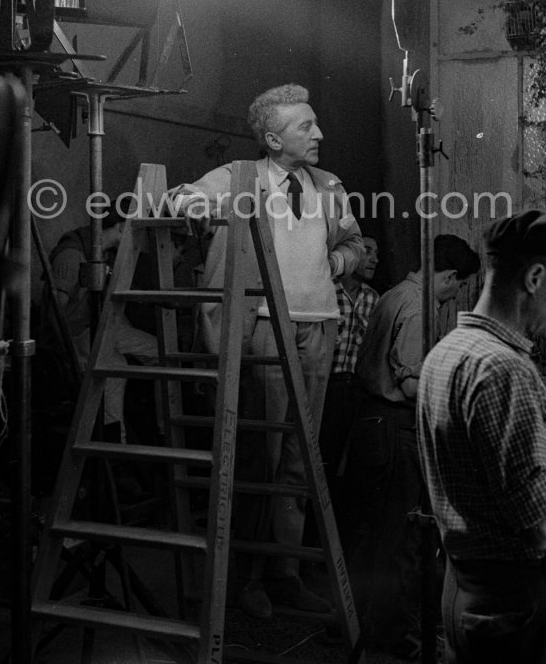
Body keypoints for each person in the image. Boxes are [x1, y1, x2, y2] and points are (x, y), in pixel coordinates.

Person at [169, 83, 364, 620]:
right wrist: (196, 210)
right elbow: (180, 196)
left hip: (317, 328)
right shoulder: (237, 177)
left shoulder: (328, 185)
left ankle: (286, 573)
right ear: (274, 139)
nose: (319, 133)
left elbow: (355, 246)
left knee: (302, 459)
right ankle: (248, 579)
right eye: (307, 126)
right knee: (261, 456)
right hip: (261, 327)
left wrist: (339, 264)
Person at [342, 234, 480, 657]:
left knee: (375, 533)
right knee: (398, 536)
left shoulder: (392, 295)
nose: (456, 295)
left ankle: (357, 621)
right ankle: (388, 632)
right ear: (449, 277)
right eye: (459, 287)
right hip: (393, 426)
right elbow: (411, 382)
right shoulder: (419, 306)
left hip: (371, 421)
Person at [417, 210, 546, 664]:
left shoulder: (446, 351)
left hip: (462, 587)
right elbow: (535, 520)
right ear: (534, 277)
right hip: (510, 602)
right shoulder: (506, 369)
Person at [39, 202, 159, 444]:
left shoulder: (105, 256)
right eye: (132, 228)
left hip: (99, 327)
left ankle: (158, 428)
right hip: (74, 335)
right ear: (119, 227)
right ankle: (114, 445)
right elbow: (54, 311)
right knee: (115, 369)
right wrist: (69, 354)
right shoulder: (73, 256)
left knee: (158, 351)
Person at [319, 233, 380, 492]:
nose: (375, 260)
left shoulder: (373, 299)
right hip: (324, 387)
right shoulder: (326, 290)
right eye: (367, 251)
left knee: (345, 463)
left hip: (355, 391)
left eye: (377, 254)